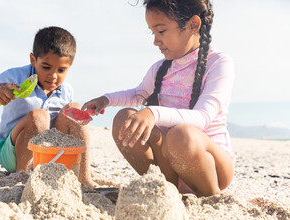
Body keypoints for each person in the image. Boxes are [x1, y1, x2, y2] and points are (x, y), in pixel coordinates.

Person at [82, 0, 235, 196]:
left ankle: (211, 196)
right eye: (152, 32)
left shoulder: (219, 63)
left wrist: (153, 113)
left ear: (193, 25)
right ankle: (167, 189)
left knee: (181, 135)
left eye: (161, 31)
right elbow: (138, 95)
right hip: (169, 163)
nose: (155, 41)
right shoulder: (160, 68)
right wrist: (106, 100)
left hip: (210, 165)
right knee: (123, 119)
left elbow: (203, 117)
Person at [0, 26, 94, 186]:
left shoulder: (66, 90)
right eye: (46, 67)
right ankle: (22, 177)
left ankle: (84, 177)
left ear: (70, 66)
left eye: (61, 70)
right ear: (33, 60)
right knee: (39, 117)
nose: (53, 75)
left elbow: (67, 127)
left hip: (49, 153)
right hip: (13, 152)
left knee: (74, 109)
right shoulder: (16, 77)